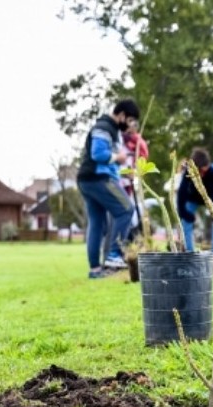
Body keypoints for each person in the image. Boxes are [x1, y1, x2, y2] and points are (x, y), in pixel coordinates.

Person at [76, 99, 140, 279]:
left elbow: (110, 161)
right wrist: (118, 158)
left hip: (90, 180)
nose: (130, 126)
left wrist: (124, 172)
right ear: (121, 115)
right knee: (126, 209)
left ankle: (95, 270)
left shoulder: (111, 130)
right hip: (98, 178)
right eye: (129, 121)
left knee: (97, 223)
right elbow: (98, 154)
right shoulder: (105, 127)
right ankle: (114, 255)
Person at [176, 147, 213, 253]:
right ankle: (189, 251)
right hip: (193, 198)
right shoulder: (189, 173)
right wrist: (183, 213)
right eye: (201, 169)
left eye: (206, 168)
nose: (204, 171)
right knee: (186, 220)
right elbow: (181, 194)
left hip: (212, 198)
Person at [120, 118, 149, 241]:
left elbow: (143, 156)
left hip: (128, 182)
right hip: (117, 179)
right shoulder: (118, 139)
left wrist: (135, 171)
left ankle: (131, 236)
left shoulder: (137, 142)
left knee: (131, 209)